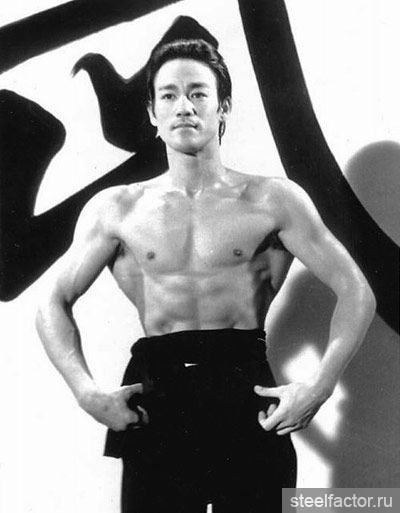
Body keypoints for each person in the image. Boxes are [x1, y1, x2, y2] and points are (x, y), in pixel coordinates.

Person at [36, 39, 376, 513]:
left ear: (223, 107)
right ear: (152, 112)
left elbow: (355, 290)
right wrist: (86, 392)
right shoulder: (116, 208)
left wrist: (318, 387)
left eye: (198, 93)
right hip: (158, 401)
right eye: (169, 95)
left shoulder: (273, 199)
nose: (184, 107)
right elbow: (51, 302)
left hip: (247, 395)